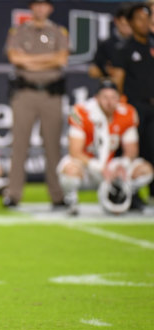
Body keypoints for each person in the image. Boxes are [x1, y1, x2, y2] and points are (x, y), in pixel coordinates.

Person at [4, 0, 68, 208]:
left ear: (50, 8)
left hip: (51, 94)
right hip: (25, 93)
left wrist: (30, 60)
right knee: (19, 145)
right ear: (31, 7)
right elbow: (15, 58)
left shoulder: (59, 32)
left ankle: (57, 196)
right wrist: (46, 60)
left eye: (45, 4)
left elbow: (61, 60)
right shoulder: (19, 31)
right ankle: (13, 194)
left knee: (53, 146)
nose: (41, 8)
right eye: (37, 4)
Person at [57, 79, 153, 215]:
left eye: (113, 97)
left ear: (119, 98)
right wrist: (100, 167)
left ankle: (119, 193)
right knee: (70, 170)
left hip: (112, 166)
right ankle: (71, 200)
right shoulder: (80, 112)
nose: (109, 102)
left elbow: (132, 151)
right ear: (96, 98)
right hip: (88, 166)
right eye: (105, 97)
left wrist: (122, 164)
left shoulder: (127, 113)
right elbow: (75, 152)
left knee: (146, 170)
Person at [111, 3, 154, 204]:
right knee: (132, 151)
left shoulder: (152, 45)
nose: (144, 23)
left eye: (147, 19)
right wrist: (121, 106)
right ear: (130, 22)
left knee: (152, 149)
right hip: (133, 108)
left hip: (152, 106)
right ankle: (132, 194)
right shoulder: (124, 49)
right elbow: (118, 79)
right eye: (139, 19)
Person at [88, 4, 133, 80]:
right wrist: (107, 71)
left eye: (130, 25)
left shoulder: (143, 43)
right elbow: (93, 70)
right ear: (116, 21)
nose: (127, 28)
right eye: (124, 24)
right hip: (114, 86)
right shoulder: (106, 45)